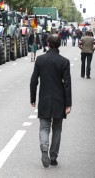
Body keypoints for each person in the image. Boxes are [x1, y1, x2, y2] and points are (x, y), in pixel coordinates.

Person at [30, 34, 72, 168]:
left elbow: (34, 81)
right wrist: (68, 104)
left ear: (48, 43)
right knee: (57, 129)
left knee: (44, 128)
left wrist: (32, 98)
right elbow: (67, 84)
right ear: (59, 44)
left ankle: (44, 148)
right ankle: (53, 156)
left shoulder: (40, 60)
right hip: (60, 100)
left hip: (44, 99)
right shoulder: (64, 62)